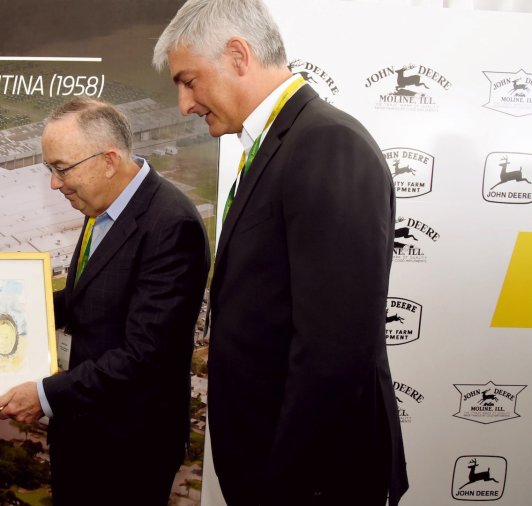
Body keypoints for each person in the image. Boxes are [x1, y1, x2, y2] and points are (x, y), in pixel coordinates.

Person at [153, 1, 409, 505]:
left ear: (238, 55)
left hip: (308, 478)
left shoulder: (326, 144)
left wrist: (285, 485)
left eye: (189, 80)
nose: (185, 104)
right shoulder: (276, 143)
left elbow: (335, 352)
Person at [0, 97, 210, 505]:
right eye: (49, 169)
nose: (55, 183)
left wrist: (44, 395)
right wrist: (5, 310)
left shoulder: (170, 225)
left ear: (108, 160)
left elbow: (144, 355)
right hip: (82, 432)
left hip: (128, 448)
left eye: (61, 168)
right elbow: (85, 298)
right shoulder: (101, 206)